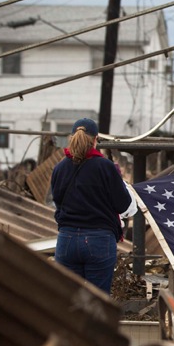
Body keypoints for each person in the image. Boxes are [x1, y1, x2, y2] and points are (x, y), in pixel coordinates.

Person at [51, 117, 137, 295]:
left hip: (67, 240)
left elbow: (58, 202)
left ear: (72, 137)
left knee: (68, 301)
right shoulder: (106, 167)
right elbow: (123, 205)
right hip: (99, 239)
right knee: (97, 302)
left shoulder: (59, 168)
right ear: (96, 139)